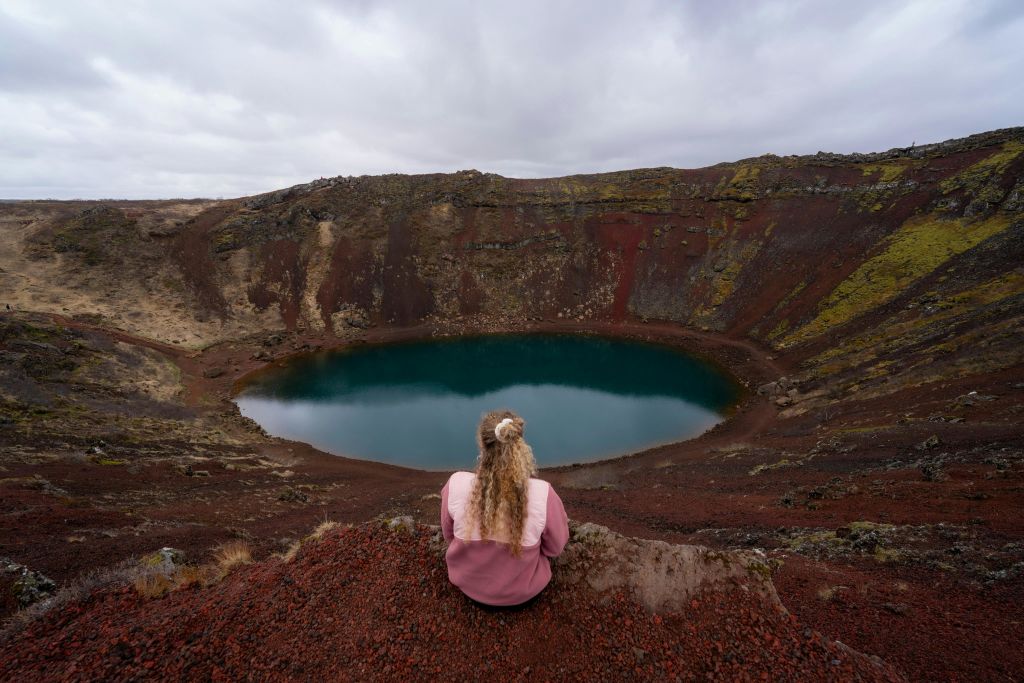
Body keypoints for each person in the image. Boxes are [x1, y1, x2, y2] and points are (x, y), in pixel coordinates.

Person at [440, 410, 569, 606]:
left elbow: (449, 535)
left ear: (482, 444)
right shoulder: (543, 495)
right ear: (519, 445)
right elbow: (555, 548)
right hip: (524, 596)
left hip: (469, 589)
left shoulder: (455, 485)